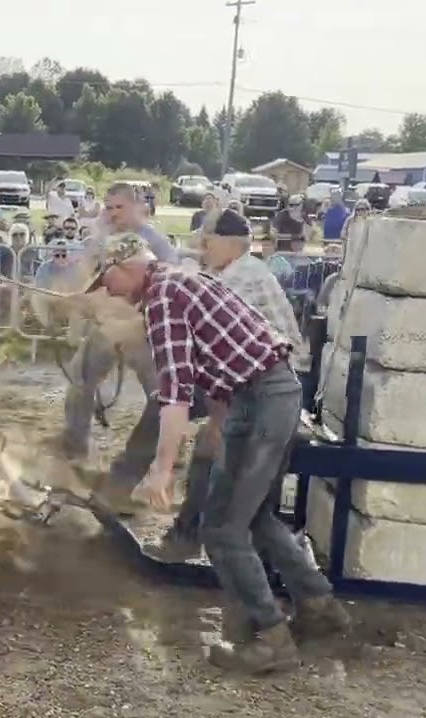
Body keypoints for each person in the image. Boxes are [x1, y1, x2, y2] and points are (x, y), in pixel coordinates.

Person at [94, 222, 350, 673]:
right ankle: (318, 606)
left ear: (127, 266)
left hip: (260, 401)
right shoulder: (183, 281)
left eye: (108, 279)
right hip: (260, 396)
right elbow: (217, 357)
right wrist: (218, 420)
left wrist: (161, 467)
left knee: (223, 531)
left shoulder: (163, 299)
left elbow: (174, 392)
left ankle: (271, 639)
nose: (109, 292)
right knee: (251, 518)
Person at [148, 209, 306, 566]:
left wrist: (216, 418)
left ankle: (188, 534)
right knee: (195, 429)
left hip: (271, 386)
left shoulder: (242, 277)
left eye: (208, 243)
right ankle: (191, 531)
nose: (202, 250)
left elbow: (225, 350)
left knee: (208, 441)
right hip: (258, 381)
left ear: (231, 245)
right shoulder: (234, 271)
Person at [57, 182, 179, 505]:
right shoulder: (99, 240)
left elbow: (169, 289)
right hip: (105, 328)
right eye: (108, 208)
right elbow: (88, 281)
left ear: (138, 207)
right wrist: (78, 305)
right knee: (80, 379)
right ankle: (75, 446)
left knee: (162, 397)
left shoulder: (157, 244)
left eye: (119, 208)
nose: (112, 214)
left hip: (143, 334)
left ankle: (145, 467)